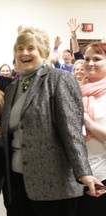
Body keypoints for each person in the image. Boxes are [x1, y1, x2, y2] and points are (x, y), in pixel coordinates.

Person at [0, 27, 105, 216]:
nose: (24, 53)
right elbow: (21, 129)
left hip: (52, 183)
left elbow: (71, 131)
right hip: (17, 180)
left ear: (44, 52)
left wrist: (84, 173)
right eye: (20, 48)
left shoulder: (59, 79)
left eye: (31, 48)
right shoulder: (13, 88)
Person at [76, 42, 106, 216]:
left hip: (101, 172)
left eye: (97, 58)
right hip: (75, 173)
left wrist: (88, 123)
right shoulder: (76, 90)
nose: (90, 63)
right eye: (87, 58)